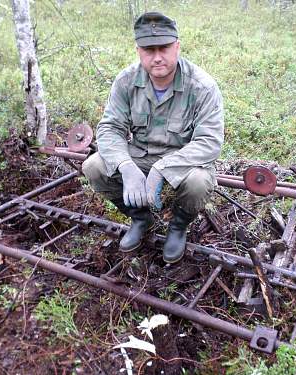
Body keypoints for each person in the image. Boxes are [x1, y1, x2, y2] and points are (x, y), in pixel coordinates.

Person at [82, 12, 224, 264]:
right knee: (93, 166)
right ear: (138, 51)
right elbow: (110, 128)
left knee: (199, 182)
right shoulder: (126, 81)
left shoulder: (202, 86)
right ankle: (140, 217)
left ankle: (178, 227)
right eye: (149, 49)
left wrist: (162, 168)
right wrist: (126, 167)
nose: (157, 57)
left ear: (177, 46)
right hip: (140, 155)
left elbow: (209, 142)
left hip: (184, 159)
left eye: (164, 48)